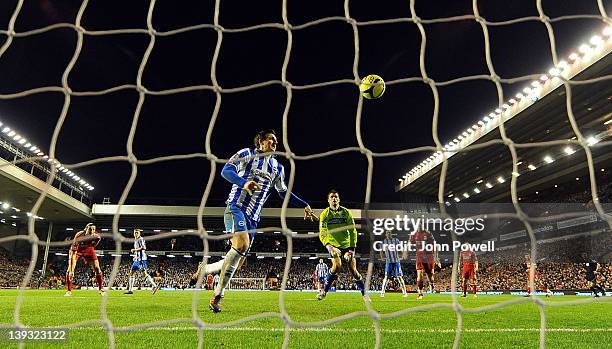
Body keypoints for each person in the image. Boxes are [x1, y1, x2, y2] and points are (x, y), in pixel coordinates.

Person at [209, 129, 317, 313]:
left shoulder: (277, 167)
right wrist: (244, 183)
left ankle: (206, 269)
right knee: (241, 245)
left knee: (239, 260)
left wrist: (304, 205)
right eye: (271, 140)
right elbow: (226, 171)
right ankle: (218, 295)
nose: (275, 143)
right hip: (236, 206)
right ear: (260, 141)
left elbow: (283, 192)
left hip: (253, 217)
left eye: (276, 141)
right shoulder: (246, 154)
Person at [317, 189, 367, 301]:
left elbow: (353, 231)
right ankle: (324, 292)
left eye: (336, 197)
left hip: (347, 246)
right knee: (337, 265)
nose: (334, 199)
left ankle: (364, 293)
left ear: (339, 199)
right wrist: (330, 246)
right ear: (328, 200)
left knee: (353, 270)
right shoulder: (325, 214)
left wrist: (351, 250)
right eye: (332, 197)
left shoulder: (346, 212)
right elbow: (322, 233)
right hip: (333, 245)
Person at [65, 223, 104, 296]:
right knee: (70, 270)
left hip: (89, 249)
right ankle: (69, 291)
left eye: (93, 229)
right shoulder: (79, 236)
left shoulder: (96, 236)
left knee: (97, 268)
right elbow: (73, 253)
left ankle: (101, 288)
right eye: (90, 229)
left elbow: (93, 245)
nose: (92, 231)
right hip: (77, 251)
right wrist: (71, 269)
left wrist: (96, 242)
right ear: (85, 229)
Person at [125, 229, 159, 295]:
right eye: (135, 233)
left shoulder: (141, 239)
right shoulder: (136, 240)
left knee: (144, 274)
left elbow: (144, 247)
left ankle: (154, 286)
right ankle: (130, 290)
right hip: (137, 259)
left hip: (141, 260)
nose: (136, 234)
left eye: (137, 233)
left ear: (139, 233)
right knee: (131, 273)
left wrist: (135, 250)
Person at [410, 230, 440, 299]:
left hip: (429, 258)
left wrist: (436, 258)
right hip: (420, 257)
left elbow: (436, 246)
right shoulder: (415, 235)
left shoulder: (429, 235)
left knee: (430, 276)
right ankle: (420, 293)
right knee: (420, 276)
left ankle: (431, 284)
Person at [380, 231, 407, 298]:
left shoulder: (396, 240)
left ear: (391, 234)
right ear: (386, 234)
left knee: (399, 277)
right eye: (387, 233)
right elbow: (381, 250)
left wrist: (403, 254)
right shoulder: (384, 241)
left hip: (396, 261)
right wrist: (382, 257)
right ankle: (382, 292)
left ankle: (405, 292)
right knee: (386, 277)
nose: (388, 234)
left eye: (390, 233)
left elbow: (401, 247)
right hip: (388, 262)